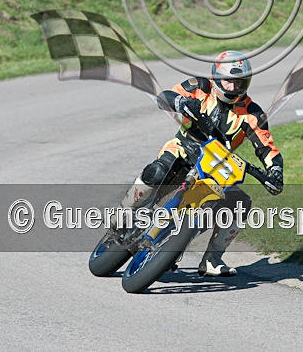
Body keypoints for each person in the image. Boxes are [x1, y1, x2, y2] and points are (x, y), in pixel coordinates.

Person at [117, 51, 284, 277]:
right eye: (229, 81)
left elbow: (266, 147)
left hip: (217, 167)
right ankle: (124, 212)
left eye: (240, 82)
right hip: (184, 149)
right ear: (216, 77)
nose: (234, 88)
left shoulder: (252, 112)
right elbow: (166, 95)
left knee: (240, 203)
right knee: (158, 170)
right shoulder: (201, 86)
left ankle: (213, 259)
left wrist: (274, 170)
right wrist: (180, 102)